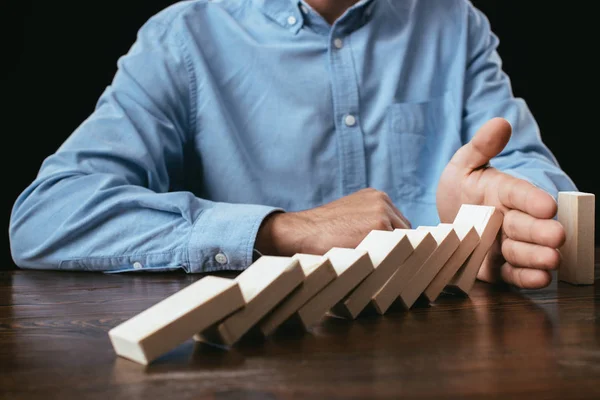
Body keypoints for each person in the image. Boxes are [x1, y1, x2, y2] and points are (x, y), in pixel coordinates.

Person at [9, 0, 577, 290]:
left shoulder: (456, 22)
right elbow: (45, 215)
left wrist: (498, 215)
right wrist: (280, 230)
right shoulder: (183, 36)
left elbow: (533, 173)